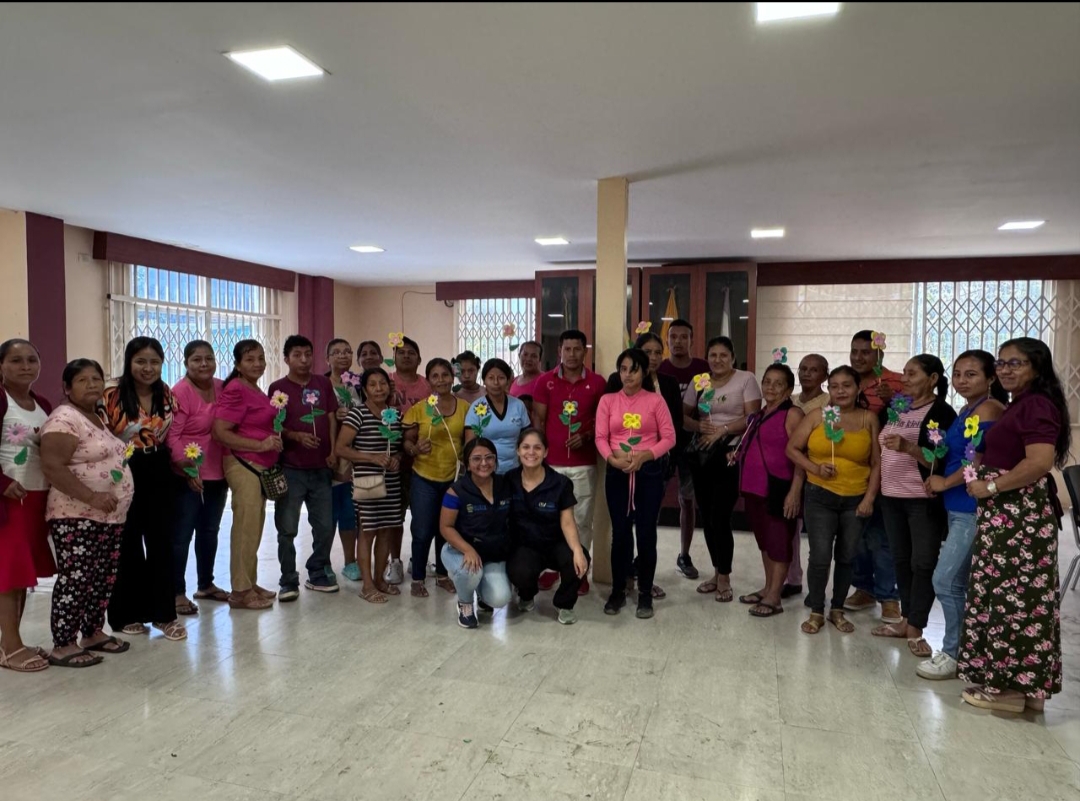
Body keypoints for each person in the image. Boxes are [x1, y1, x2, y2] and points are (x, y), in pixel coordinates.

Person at [959, 338, 1069, 713]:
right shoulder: (1019, 403)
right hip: (1008, 514)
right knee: (1020, 599)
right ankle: (1029, 689)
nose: (1005, 370)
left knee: (1012, 600)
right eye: (1001, 362)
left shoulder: (1036, 405)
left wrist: (991, 486)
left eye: (1015, 363)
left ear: (1037, 368)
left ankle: (1007, 690)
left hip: (1018, 518)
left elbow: (1039, 462)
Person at [40, 359, 135, 667]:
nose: (92, 384)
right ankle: (63, 644)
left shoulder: (97, 416)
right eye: (82, 380)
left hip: (108, 517)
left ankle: (92, 632)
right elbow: (52, 466)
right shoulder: (64, 418)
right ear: (67, 388)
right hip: (76, 515)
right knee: (77, 579)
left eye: (96, 378)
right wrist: (92, 496)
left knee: (102, 578)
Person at [917, 350, 1005, 680]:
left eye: (971, 374)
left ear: (990, 378)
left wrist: (944, 482)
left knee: (945, 579)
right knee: (960, 582)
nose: (962, 380)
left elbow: (976, 461)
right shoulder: (968, 409)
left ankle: (953, 653)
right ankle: (969, 652)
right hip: (956, 505)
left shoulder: (989, 410)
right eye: (957, 374)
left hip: (970, 508)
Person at [871, 355, 956, 656]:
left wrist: (908, 447)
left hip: (922, 500)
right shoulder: (897, 407)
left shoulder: (941, 412)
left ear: (932, 379)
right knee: (901, 560)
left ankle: (917, 627)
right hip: (891, 496)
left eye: (912, 374)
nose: (904, 379)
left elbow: (941, 459)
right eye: (904, 373)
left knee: (923, 563)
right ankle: (906, 619)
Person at [101, 337, 185, 641]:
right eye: (140, 361)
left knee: (162, 541)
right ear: (129, 362)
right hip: (123, 466)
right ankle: (126, 614)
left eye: (154, 362)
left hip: (159, 466)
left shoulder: (166, 392)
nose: (148, 368)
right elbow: (101, 434)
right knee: (127, 542)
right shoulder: (110, 393)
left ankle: (164, 615)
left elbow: (171, 432)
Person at [786, 366, 880, 634]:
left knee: (847, 556)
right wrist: (815, 468)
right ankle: (817, 609)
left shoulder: (869, 419)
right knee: (820, 556)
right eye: (834, 386)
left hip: (855, 498)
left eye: (846, 385)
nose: (841, 391)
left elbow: (877, 463)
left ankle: (837, 609)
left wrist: (869, 498)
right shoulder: (818, 415)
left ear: (858, 388)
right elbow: (792, 449)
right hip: (819, 496)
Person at [595, 348, 676, 619]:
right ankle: (618, 590)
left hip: (648, 473)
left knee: (646, 533)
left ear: (644, 372)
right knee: (620, 533)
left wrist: (644, 456)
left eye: (634, 369)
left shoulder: (655, 401)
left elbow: (669, 437)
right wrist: (612, 459)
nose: (628, 375)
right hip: (617, 473)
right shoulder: (608, 400)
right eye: (623, 369)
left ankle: (645, 593)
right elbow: (600, 437)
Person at [683, 335, 762, 602]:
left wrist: (723, 430)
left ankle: (725, 576)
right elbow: (683, 416)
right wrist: (699, 426)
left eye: (723, 355)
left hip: (730, 454)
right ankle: (716, 573)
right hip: (702, 455)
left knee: (720, 516)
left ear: (732, 357)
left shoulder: (746, 379)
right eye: (713, 355)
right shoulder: (700, 381)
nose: (717, 360)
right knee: (706, 515)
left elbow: (753, 418)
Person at [532, 329, 607, 595]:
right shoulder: (545, 382)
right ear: (559, 351)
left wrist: (585, 436)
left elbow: (604, 420)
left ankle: (579, 572)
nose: (572, 354)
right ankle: (551, 568)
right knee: (550, 519)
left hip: (584, 463)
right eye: (567, 349)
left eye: (577, 349)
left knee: (582, 520)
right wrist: (538, 457)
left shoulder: (597, 383)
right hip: (551, 465)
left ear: (585, 352)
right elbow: (538, 420)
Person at [267, 335, 340, 600]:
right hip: (291, 468)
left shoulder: (323, 383)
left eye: (308, 354)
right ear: (286, 359)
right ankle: (288, 579)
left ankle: (317, 571)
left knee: (324, 526)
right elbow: (275, 425)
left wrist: (333, 450)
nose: (304, 360)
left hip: (321, 468)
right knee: (287, 528)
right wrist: (296, 436)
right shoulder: (278, 388)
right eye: (297, 355)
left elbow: (331, 417)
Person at [213, 339, 282, 610]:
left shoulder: (254, 388)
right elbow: (220, 432)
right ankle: (240, 591)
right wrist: (260, 445)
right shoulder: (236, 389)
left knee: (254, 526)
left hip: (259, 466)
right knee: (245, 527)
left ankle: (249, 582)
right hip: (243, 464)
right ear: (238, 364)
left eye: (261, 358)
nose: (258, 364)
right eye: (250, 359)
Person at [0, 339, 55, 672]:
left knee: (23, 574)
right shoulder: (1, 399)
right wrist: (3, 484)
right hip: (9, 500)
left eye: (31, 360)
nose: (25, 366)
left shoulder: (42, 403)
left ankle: (11, 641)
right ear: (1, 366)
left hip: (36, 497)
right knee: (9, 573)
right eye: (16, 360)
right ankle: (10, 647)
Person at [734, 364, 804, 617]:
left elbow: (801, 456)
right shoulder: (761, 413)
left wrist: (795, 492)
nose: (770, 387)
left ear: (788, 389)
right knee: (764, 541)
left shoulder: (792, 414)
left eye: (778, 383)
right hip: (754, 488)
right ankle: (768, 587)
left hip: (778, 489)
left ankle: (775, 596)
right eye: (767, 381)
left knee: (779, 542)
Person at [845, 330, 904, 623]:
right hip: (854, 472)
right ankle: (863, 589)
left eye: (865, 352)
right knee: (855, 537)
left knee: (882, 538)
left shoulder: (897, 382)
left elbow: (914, 420)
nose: (858, 358)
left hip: (889, 472)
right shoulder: (847, 383)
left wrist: (894, 400)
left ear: (880, 353)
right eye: (854, 351)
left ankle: (889, 597)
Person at [167, 340, 229, 617]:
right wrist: (188, 470)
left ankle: (206, 584)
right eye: (196, 359)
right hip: (185, 472)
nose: (204, 364)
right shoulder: (180, 392)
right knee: (182, 534)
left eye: (209, 358)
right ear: (186, 363)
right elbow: (172, 436)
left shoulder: (221, 387)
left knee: (209, 530)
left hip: (218, 470)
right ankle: (176, 592)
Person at [335, 367, 405, 603]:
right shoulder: (358, 414)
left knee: (385, 531)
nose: (378, 388)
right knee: (367, 532)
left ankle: (379, 580)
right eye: (372, 384)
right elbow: (341, 448)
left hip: (391, 482)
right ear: (364, 390)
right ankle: (367, 585)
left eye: (382, 383)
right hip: (366, 482)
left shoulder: (395, 415)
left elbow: (399, 449)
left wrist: (397, 459)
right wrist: (371, 457)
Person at [506, 429, 590, 624]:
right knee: (520, 572)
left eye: (537, 448)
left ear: (545, 452)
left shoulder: (560, 483)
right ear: (517, 450)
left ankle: (564, 604)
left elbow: (567, 521)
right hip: (525, 546)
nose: (531, 452)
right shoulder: (509, 480)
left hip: (555, 543)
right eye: (526, 447)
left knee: (578, 560)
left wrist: (578, 550)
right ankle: (527, 595)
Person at [403, 358, 468, 597]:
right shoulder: (420, 408)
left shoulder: (465, 408)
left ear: (452, 377)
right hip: (424, 477)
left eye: (445, 375)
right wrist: (414, 448)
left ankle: (442, 575)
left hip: (454, 480)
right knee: (422, 530)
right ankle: (417, 578)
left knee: (446, 530)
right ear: (428, 381)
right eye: (435, 376)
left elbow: (469, 441)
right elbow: (407, 441)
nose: (441, 380)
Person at [439, 437, 513, 628]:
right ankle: (465, 603)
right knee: (470, 573)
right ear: (467, 464)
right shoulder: (456, 491)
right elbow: (446, 527)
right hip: (460, 549)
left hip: (492, 552)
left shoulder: (505, 485)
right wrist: (467, 549)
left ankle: (482, 593)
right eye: (476, 458)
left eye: (489, 457)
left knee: (500, 598)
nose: (484, 463)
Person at [659, 318, 710, 580]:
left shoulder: (703, 369)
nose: (678, 341)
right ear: (667, 341)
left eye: (683, 337)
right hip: (662, 445)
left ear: (692, 340)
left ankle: (684, 555)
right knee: (652, 501)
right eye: (673, 337)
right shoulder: (660, 368)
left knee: (687, 501)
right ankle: (644, 558)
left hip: (694, 444)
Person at [785, 353, 829, 601]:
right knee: (790, 529)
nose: (806, 374)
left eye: (813, 370)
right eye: (803, 369)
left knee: (819, 537)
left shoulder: (829, 403)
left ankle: (817, 590)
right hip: (790, 470)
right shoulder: (789, 401)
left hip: (819, 474)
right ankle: (792, 578)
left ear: (825, 375)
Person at [327, 338, 362, 582]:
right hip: (330, 456)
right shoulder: (320, 385)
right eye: (336, 352)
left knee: (351, 512)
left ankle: (350, 562)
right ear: (327, 358)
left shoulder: (358, 384)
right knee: (328, 513)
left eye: (347, 351)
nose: (342, 355)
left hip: (355, 456)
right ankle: (323, 562)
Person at [464, 358, 530, 473]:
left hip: (515, 469)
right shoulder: (476, 407)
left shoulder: (518, 405)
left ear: (508, 381)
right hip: (485, 470)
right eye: (491, 378)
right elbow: (470, 445)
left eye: (501, 378)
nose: (496, 383)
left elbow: (527, 439)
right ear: (484, 381)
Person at [391, 336, 430, 414]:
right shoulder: (385, 381)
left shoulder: (428, 385)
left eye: (411, 353)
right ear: (394, 359)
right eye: (401, 352)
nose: (406, 356)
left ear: (419, 360)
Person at [509, 340, 544, 421]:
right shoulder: (514, 381)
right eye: (525, 354)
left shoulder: (545, 381)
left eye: (534, 356)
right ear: (519, 355)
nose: (528, 359)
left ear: (540, 359)